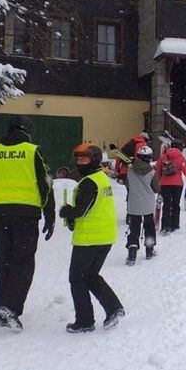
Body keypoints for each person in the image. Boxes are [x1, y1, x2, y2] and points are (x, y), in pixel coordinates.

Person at [0, 115, 56, 332]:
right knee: (23, 262)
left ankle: (3, 309)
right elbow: (45, 184)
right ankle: (12, 308)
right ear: (28, 131)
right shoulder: (32, 151)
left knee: (5, 262)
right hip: (25, 213)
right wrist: (50, 214)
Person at [59, 143, 125, 333]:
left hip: (89, 239)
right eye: (78, 159)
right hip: (105, 236)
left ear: (94, 160)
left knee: (77, 279)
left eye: (84, 159)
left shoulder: (89, 182)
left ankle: (85, 321)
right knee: (90, 276)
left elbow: (81, 210)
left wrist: (67, 212)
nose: (80, 163)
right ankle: (113, 308)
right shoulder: (101, 179)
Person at [125, 145, 160, 265]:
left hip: (134, 203)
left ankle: (132, 252)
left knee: (134, 228)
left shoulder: (130, 169)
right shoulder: (151, 171)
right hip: (148, 204)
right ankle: (149, 250)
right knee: (149, 227)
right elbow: (156, 188)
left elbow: (128, 185)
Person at [155, 140, 186, 235]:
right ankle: (174, 225)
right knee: (175, 204)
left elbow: (157, 171)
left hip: (165, 185)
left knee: (166, 205)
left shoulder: (163, 157)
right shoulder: (180, 158)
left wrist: (158, 182)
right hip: (177, 185)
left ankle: (165, 226)